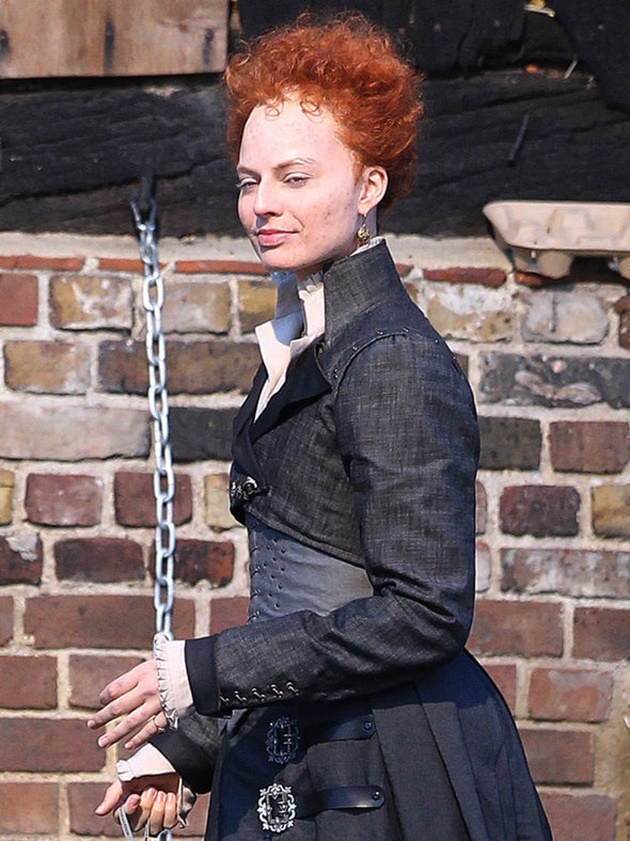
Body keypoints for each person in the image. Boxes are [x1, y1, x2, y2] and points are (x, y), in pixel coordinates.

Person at [89, 13, 552, 841]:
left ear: (369, 186)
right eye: (248, 181)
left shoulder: (390, 357)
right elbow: (305, 601)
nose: (262, 204)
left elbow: (424, 614)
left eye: (294, 177)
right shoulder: (308, 341)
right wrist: (191, 745)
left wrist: (203, 671)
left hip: (384, 772)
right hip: (295, 749)